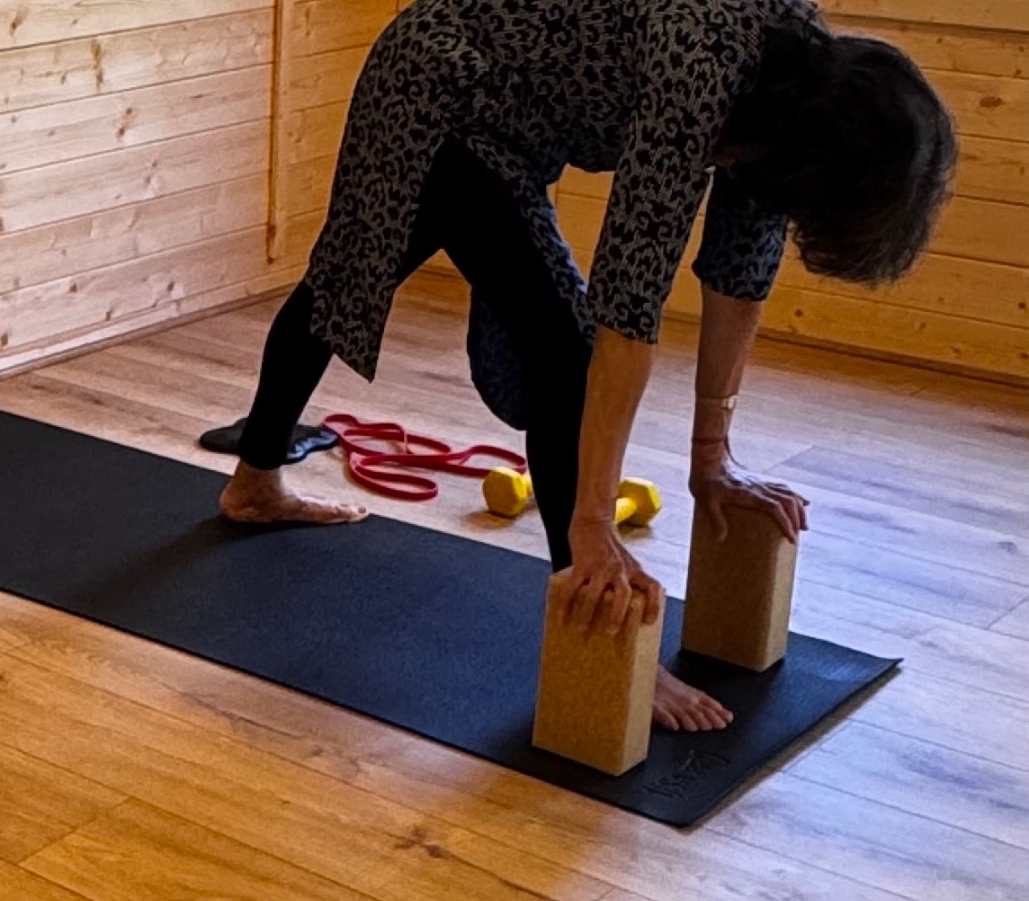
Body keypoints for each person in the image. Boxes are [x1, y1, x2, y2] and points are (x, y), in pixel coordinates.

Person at [220, 0, 954, 731]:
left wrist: (715, 456)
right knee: (555, 352)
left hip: (508, 118)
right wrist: (593, 521)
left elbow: (740, 273)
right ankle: (597, 620)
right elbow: (627, 312)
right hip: (440, 85)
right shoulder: (701, 70)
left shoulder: (799, 99)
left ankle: (254, 484)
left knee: (345, 276)